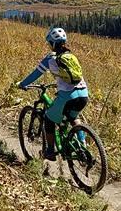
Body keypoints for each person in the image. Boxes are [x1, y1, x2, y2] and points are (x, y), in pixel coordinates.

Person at [18, 27, 89, 160]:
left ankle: (50, 151)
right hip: (84, 94)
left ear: (53, 43)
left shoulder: (50, 59)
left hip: (68, 96)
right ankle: (83, 145)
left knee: (48, 119)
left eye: (49, 43)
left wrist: (23, 84)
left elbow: (35, 74)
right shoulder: (71, 56)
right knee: (73, 118)